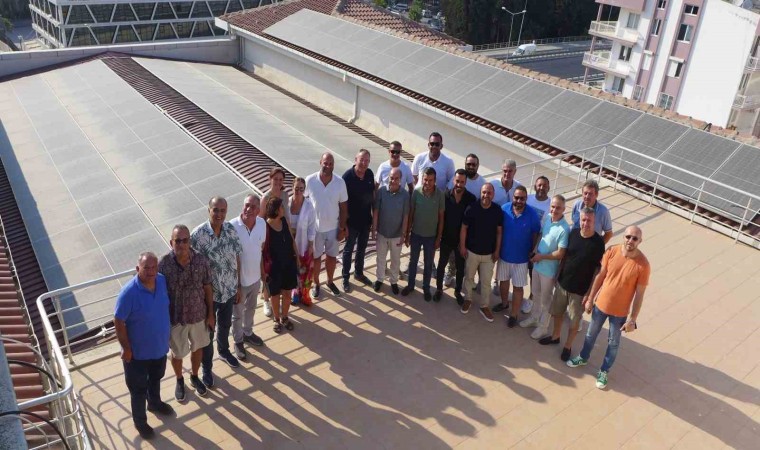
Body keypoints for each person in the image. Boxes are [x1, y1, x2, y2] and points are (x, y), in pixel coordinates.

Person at [567, 226, 649, 390]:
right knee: (590, 334)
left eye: (635, 238)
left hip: (620, 313)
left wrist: (632, 319)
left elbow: (639, 295)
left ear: (640, 241)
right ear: (623, 237)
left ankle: (604, 371)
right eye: (628, 237)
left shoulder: (643, 265)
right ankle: (583, 357)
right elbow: (601, 276)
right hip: (600, 305)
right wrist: (590, 298)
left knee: (613, 343)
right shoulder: (612, 251)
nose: (630, 241)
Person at [114, 252, 172, 440]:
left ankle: (154, 403)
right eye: (146, 268)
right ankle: (140, 422)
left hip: (159, 348)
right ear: (137, 268)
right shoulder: (129, 293)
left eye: (154, 267)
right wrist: (126, 348)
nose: (151, 271)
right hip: (136, 354)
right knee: (138, 389)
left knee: (156, 378)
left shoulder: (161, 281)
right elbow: (118, 321)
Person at [540, 208, 605, 361]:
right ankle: (555, 336)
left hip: (580, 291)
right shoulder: (573, 233)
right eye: (583, 220)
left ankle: (568, 346)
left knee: (574, 321)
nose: (586, 223)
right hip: (563, 283)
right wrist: (558, 275)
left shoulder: (598, 243)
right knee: (557, 313)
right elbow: (565, 257)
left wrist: (589, 294)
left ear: (594, 222)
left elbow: (598, 271)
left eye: (589, 220)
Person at [158, 226, 214, 403]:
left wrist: (211, 314)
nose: (182, 244)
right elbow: (157, 293)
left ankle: (195, 376)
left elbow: (207, 287)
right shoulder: (163, 264)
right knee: (177, 353)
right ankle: (179, 380)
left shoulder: (201, 261)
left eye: (185, 240)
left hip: (199, 316)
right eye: (178, 241)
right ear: (171, 242)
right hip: (176, 319)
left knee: (198, 348)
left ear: (190, 241)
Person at [191, 197, 243, 382]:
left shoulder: (230, 229)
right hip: (208, 297)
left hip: (228, 290)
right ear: (209, 210)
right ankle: (207, 369)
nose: (219, 214)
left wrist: (238, 285)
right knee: (208, 334)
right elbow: (190, 266)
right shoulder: (197, 235)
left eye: (223, 210)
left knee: (225, 325)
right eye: (216, 210)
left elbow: (237, 257)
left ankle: (224, 351)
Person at [520, 196, 570, 339]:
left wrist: (541, 257)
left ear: (563, 209)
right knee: (535, 293)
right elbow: (542, 235)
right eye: (553, 206)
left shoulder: (564, 229)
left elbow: (560, 253)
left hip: (549, 271)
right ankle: (534, 318)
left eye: (558, 208)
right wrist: (535, 251)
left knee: (546, 301)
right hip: (537, 265)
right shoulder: (548, 218)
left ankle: (543, 327)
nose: (554, 210)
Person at [493, 186, 541, 327]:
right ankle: (504, 304)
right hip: (504, 256)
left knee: (518, 288)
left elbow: (535, 234)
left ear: (526, 199)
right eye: (516, 197)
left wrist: (532, 251)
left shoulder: (532, 214)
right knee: (503, 283)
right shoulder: (504, 209)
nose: (519, 201)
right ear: (513, 197)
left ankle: (514, 314)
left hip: (522, 260)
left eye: (522, 198)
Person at [305, 152, 348, 298]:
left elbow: (344, 208)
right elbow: (302, 202)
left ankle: (330, 281)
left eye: (330, 164)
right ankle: (316, 284)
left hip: (333, 228)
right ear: (320, 162)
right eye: (325, 163)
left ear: (333, 165)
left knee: (331, 257)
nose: (328, 166)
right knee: (316, 258)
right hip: (315, 229)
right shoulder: (310, 180)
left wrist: (342, 228)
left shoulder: (340, 182)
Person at [229, 194, 266, 362]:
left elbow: (260, 249)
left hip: (255, 279)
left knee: (251, 309)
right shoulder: (231, 226)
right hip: (239, 283)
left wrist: (262, 275)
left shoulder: (262, 224)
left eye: (253, 207)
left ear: (258, 210)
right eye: (246, 205)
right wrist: (236, 284)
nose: (249, 209)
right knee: (236, 315)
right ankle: (238, 341)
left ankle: (248, 333)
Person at [460, 183, 502, 322]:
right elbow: (464, 228)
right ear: (480, 193)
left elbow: (499, 232)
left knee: (486, 282)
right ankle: (468, 299)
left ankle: (484, 306)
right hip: (472, 252)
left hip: (489, 255)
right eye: (484, 192)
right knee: (469, 278)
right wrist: (462, 246)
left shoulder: (497, 210)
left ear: (493, 195)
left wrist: (497, 250)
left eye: (489, 193)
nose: (486, 195)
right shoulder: (472, 208)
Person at [402, 167, 445, 301]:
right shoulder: (416, 192)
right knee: (413, 261)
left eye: (430, 180)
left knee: (428, 264)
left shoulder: (440, 195)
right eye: (425, 180)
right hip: (416, 234)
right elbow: (411, 214)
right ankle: (410, 285)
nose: (427, 183)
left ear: (435, 180)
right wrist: (407, 234)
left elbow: (441, 218)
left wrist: (438, 238)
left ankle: (426, 288)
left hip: (431, 237)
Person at [435, 169, 476, 303]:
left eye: (462, 182)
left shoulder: (471, 199)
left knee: (460, 269)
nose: (459, 184)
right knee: (441, 266)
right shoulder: (445, 196)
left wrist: (466, 243)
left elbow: (471, 223)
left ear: (466, 182)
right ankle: (439, 289)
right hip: (446, 239)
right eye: (457, 181)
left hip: (461, 242)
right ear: (453, 180)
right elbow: (440, 218)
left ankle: (458, 291)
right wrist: (438, 237)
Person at [263, 197, 300, 333]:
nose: (284, 209)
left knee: (287, 293)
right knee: (275, 295)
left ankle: (285, 317)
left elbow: (292, 240)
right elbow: (263, 250)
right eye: (282, 207)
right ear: (276, 210)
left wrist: (297, 257)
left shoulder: (284, 221)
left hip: (288, 264)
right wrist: (263, 271)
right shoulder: (265, 227)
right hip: (274, 268)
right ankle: (276, 319)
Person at [342, 149, 375, 292]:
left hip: (365, 221)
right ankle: (345, 277)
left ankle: (359, 273)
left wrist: (373, 220)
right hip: (351, 223)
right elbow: (341, 203)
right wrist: (343, 224)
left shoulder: (370, 174)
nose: (364, 163)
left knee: (361, 249)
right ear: (355, 160)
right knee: (348, 250)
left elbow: (372, 197)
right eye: (361, 160)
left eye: (366, 160)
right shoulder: (347, 177)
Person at [372, 167, 409, 294]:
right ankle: (380, 279)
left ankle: (393, 281)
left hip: (397, 235)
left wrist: (404, 234)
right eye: (391, 178)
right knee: (380, 258)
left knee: (395, 260)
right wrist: (374, 229)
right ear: (388, 177)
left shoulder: (405, 195)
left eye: (396, 178)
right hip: (382, 233)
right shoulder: (381, 191)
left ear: (400, 179)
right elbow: (376, 211)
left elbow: (405, 216)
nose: (393, 181)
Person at [260, 167, 290, 318]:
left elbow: (287, 215)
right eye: (275, 179)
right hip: (270, 238)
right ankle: (266, 300)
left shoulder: (285, 195)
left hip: (283, 235)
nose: (278, 182)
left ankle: (279, 300)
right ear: (270, 179)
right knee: (269, 270)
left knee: (281, 270)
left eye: (281, 179)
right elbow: (261, 220)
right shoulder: (265, 198)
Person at [288, 177, 316, 303]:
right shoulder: (287, 203)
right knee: (292, 268)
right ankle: (295, 292)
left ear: (304, 190)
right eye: (296, 188)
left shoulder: (309, 206)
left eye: (301, 189)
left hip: (303, 243)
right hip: (289, 244)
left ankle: (305, 294)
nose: (298, 191)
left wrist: (310, 245)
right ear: (292, 188)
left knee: (305, 270)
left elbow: (312, 227)